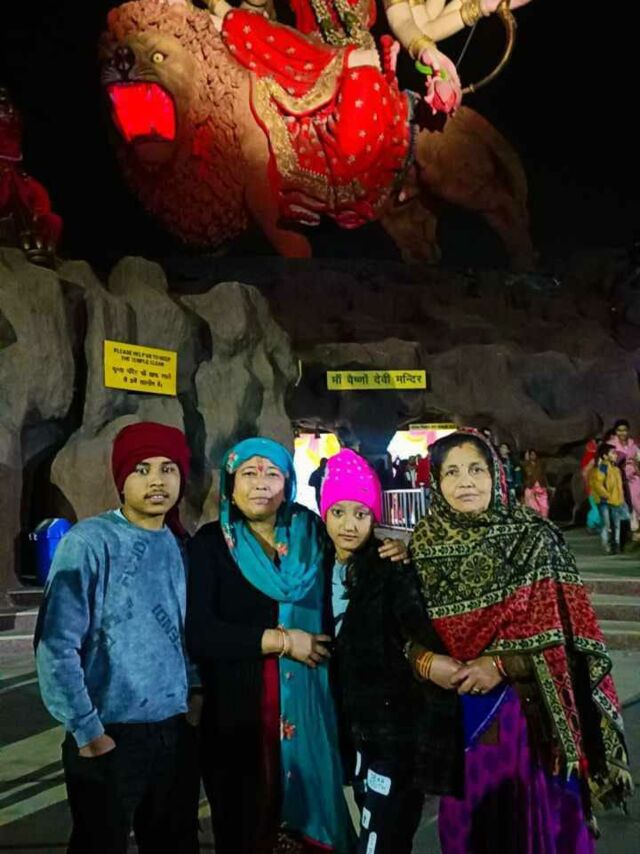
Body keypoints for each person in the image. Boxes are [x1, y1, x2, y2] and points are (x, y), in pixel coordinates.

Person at [409, 429, 632, 852]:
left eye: (476, 469)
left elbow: (574, 636)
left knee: (535, 824)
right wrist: (424, 661)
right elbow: (403, 631)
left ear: (496, 475)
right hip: (454, 717)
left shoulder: (536, 538)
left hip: (529, 716)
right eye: (451, 472)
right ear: (436, 482)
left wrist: (499, 664)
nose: (465, 482)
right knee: (469, 828)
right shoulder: (421, 544)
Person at [186, 437, 407, 853]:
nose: (261, 483)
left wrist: (390, 547)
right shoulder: (210, 545)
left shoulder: (311, 532)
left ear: (288, 482)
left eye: (273, 473)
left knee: (311, 830)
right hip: (240, 715)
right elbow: (201, 632)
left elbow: (352, 552)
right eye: (249, 473)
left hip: (314, 702)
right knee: (247, 826)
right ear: (230, 482)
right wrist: (283, 641)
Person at [35, 422, 200, 854]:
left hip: (172, 732)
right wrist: (87, 730)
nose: (156, 481)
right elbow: (56, 644)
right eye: (142, 469)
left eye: (168, 469)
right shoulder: (89, 543)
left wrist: (194, 697)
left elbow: (185, 633)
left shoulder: (179, 544)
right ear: (121, 478)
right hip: (108, 732)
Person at [319, 449, 461, 854]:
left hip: (393, 736)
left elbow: (418, 631)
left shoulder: (390, 567)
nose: (349, 525)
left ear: (374, 517)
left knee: (381, 840)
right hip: (348, 733)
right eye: (338, 512)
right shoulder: (316, 567)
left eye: (361, 514)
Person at [589, 443, 631, 554]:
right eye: (613, 453)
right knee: (606, 525)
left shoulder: (616, 469)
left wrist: (621, 499)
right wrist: (606, 495)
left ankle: (616, 545)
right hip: (605, 502)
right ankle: (607, 545)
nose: (615, 455)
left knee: (616, 524)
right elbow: (597, 484)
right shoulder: (602, 468)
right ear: (605, 456)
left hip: (616, 501)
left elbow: (619, 487)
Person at [609, 419, 640, 537]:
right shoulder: (611, 445)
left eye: (624, 430)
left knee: (637, 500)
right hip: (618, 479)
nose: (622, 433)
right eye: (619, 430)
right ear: (615, 431)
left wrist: (635, 464)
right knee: (630, 503)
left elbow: (638, 458)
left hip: (634, 477)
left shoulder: (633, 444)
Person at [522, 448, 549, 517]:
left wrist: (546, 485)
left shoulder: (541, 464)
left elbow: (543, 475)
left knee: (544, 505)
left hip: (540, 486)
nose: (533, 456)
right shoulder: (525, 465)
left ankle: (543, 518)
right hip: (530, 486)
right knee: (532, 505)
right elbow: (524, 475)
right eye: (531, 455)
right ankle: (534, 518)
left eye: (534, 454)